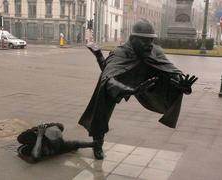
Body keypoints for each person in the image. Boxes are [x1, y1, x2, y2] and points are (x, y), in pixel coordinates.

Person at [79, 19, 198, 160]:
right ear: (133, 39)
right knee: (102, 104)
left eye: (151, 40)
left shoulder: (155, 51)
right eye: (144, 40)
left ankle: (100, 56)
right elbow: (108, 76)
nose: (149, 44)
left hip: (146, 82)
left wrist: (182, 86)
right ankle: (98, 144)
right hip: (121, 84)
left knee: (168, 80)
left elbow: (171, 71)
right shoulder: (120, 52)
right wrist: (129, 90)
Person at [17, 123, 95, 163]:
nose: (58, 142)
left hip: (44, 140)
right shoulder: (37, 144)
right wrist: (40, 136)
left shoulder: (60, 144)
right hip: (33, 143)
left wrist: (92, 144)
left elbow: (75, 143)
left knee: (68, 146)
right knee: (33, 158)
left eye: (59, 140)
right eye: (55, 141)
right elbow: (35, 156)